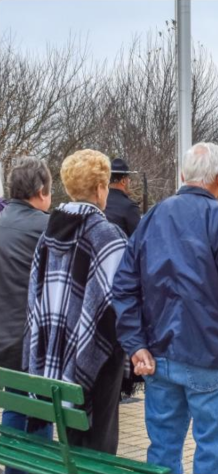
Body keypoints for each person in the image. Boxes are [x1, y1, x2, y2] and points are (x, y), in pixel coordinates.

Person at [113, 142, 218, 474]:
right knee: (215, 451)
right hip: (209, 353)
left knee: (163, 450)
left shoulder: (151, 218)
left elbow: (123, 285)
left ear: (183, 175)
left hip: (159, 355)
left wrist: (135, 344)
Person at [23, 149, 127, 454]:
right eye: (106, 185)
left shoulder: (49, 233)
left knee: (73, 442)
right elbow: (118, 304)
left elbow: (35, 298)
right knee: (100, 445)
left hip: (58, 351)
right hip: (98, 358)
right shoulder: (107, 235)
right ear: (98, 189)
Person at [0, 157, 53, 473]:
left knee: (15, 405)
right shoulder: (46, 228)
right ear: (40, 190)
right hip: (33, 347)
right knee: (36, 416)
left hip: (5, 343)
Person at [105, 158, 141, 237]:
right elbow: (138, 239)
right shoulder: (129, 207)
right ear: (123, 181)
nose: (129, 181)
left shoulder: (99, 202)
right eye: (128, 179)